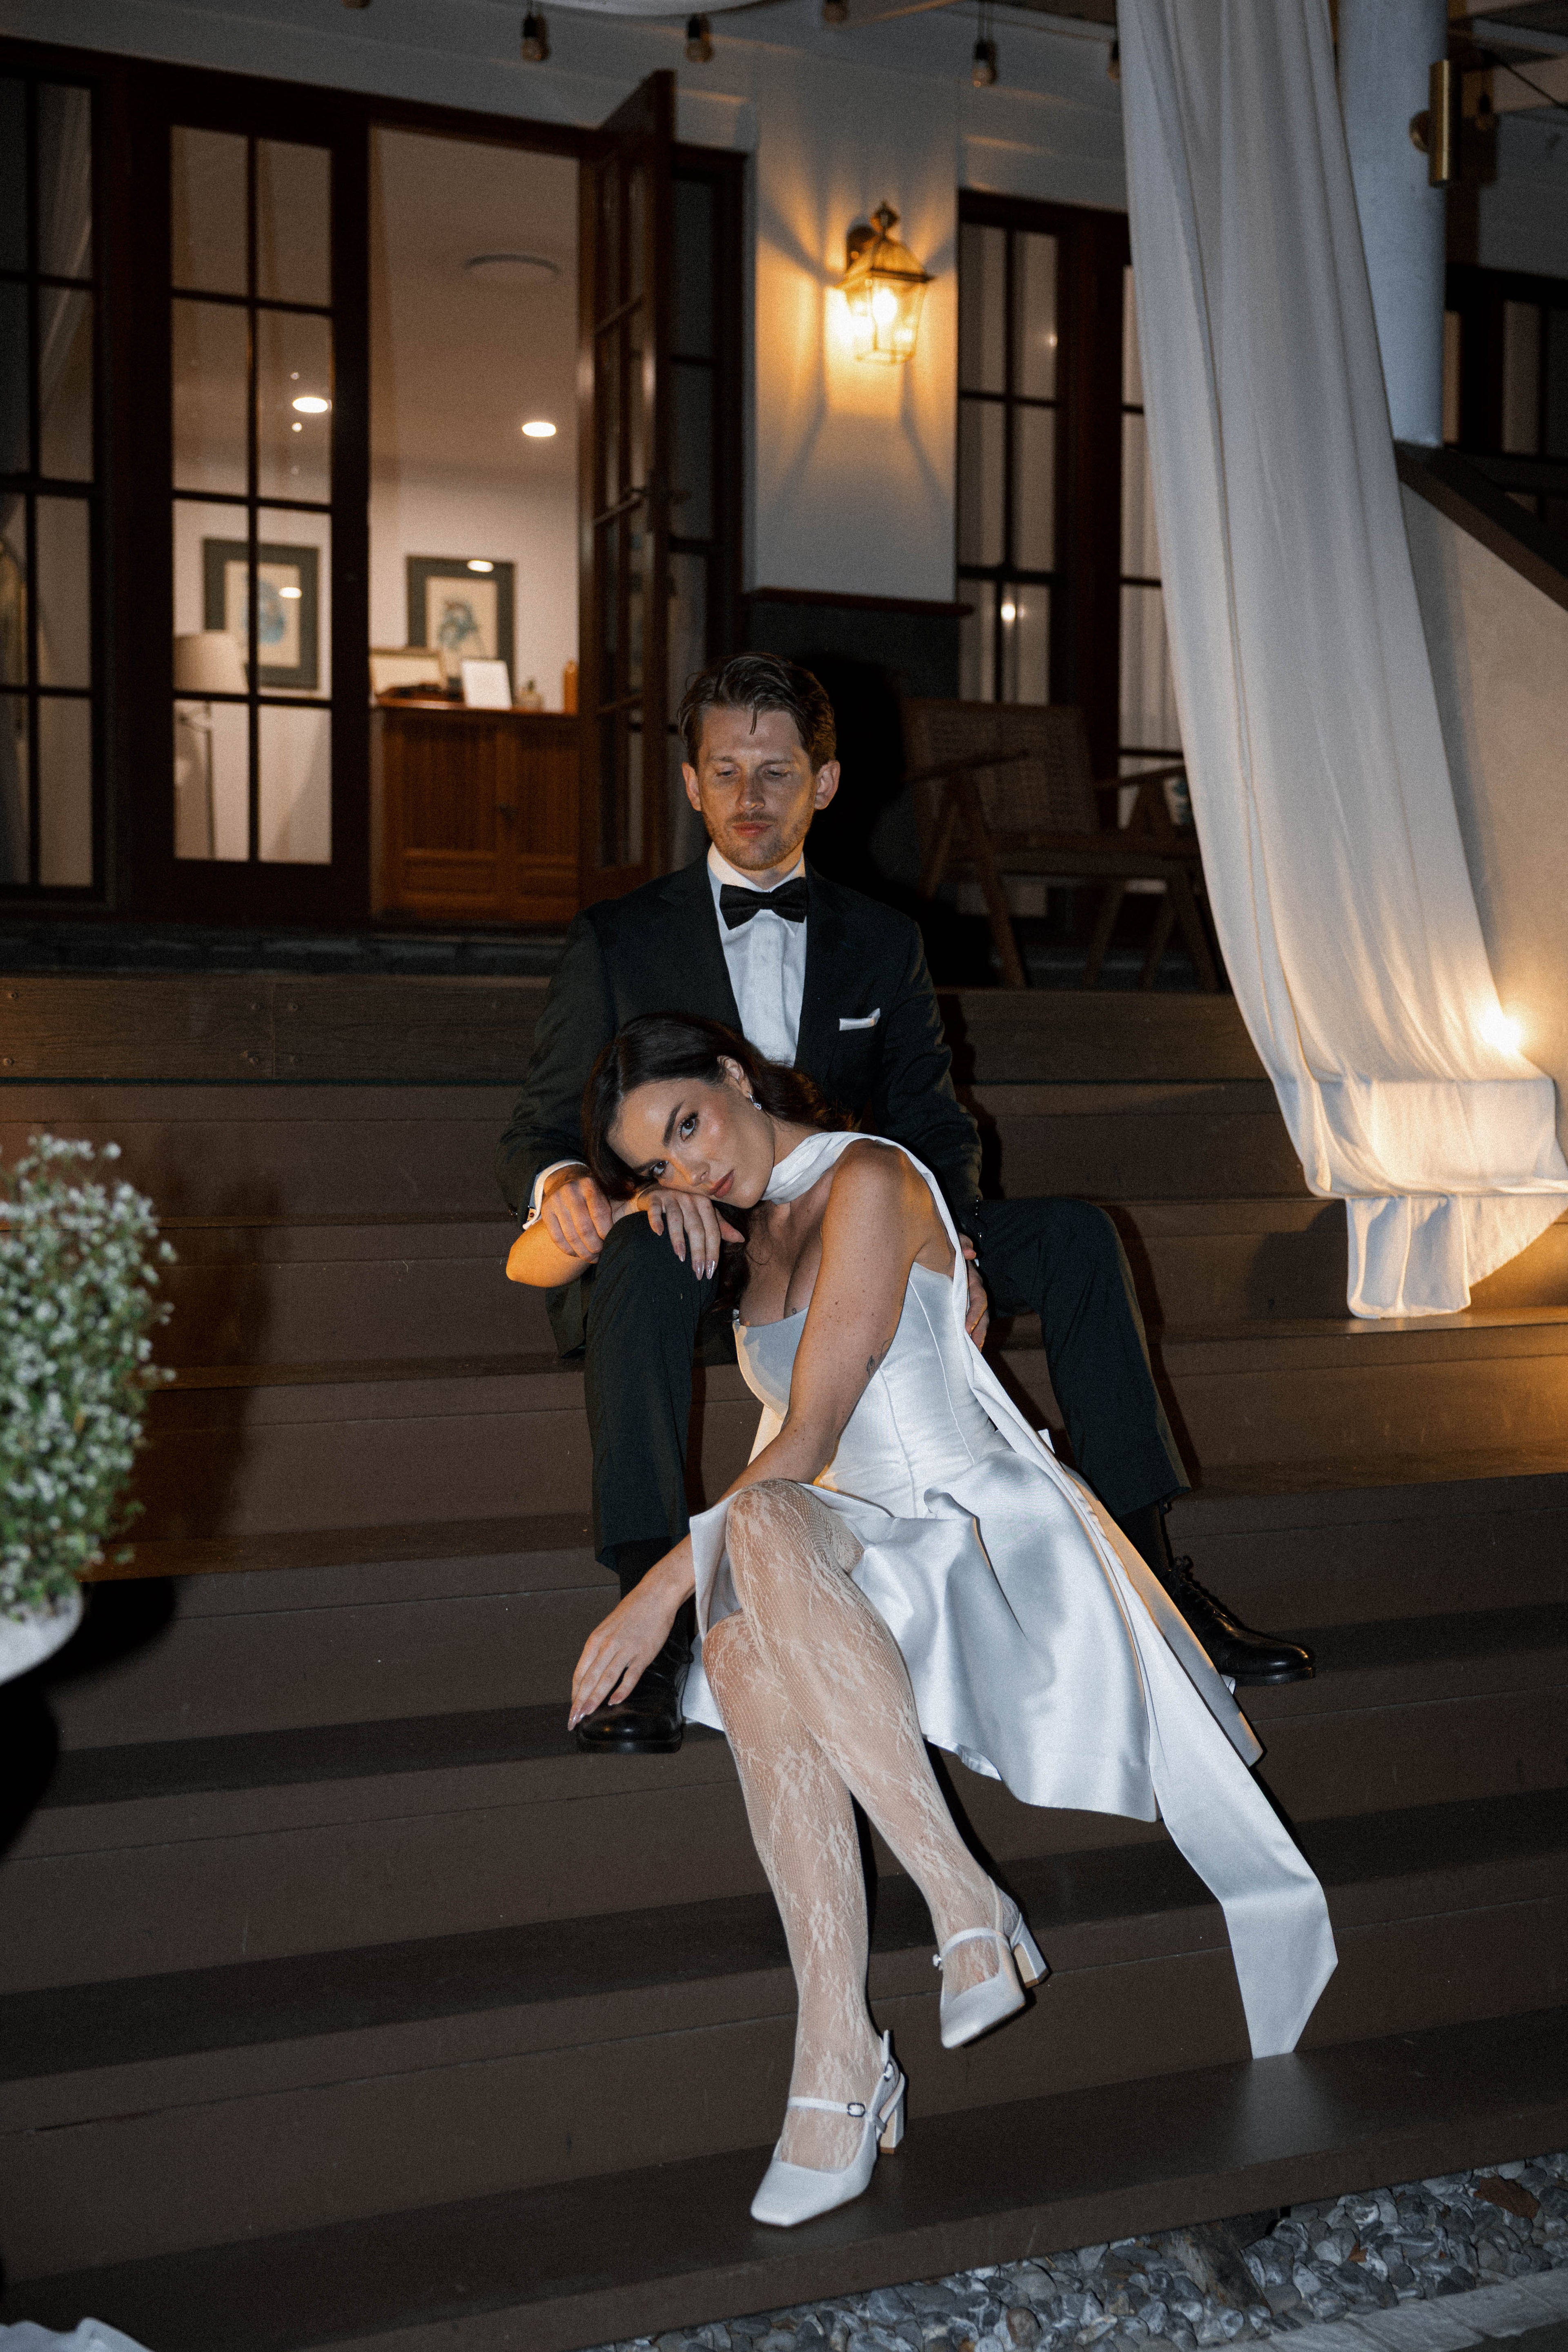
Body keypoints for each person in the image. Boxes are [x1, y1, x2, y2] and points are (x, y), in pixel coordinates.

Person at [506, 1014, 1336, 2228]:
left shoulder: (874, 1174)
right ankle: (873, 2010)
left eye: (690, 1125)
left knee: (743, 1584)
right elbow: (538, 1266)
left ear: (735, 1078)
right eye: (661, 1162)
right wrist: (632, 1211)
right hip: (837, 1542)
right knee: (757, 1583)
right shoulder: (742, 1225)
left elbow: (813, 1430)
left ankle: (912, 1967)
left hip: (960, 1529)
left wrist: (653, 1594)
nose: (691, 1167)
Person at [496, 654, 1312, 1756]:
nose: (750, 799)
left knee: (1073, 1238)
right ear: (690, 784)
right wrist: (616, 1194)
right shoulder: (619, 941)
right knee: (640, 1265)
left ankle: (1155, 1583)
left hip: (861, 1229)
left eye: (777, 773)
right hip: (711, 1245)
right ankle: (663, 1614)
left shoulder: (882, 941)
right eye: (726, 772)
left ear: (825, 785)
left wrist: (957, 1242)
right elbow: (545, 1131)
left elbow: (930, 1116)